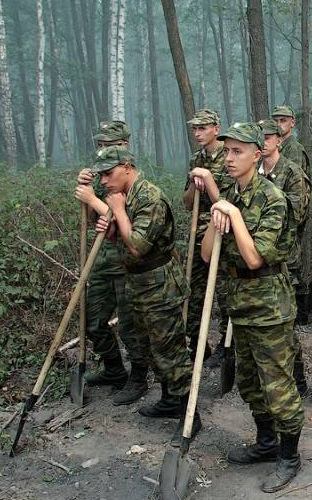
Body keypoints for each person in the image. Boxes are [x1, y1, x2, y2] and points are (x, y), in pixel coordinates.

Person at [200, 123, 303, 493]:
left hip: (269, 305)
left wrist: (235, 218)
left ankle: (289, 456)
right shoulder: (228, 194)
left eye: (237, 151)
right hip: (237, 302)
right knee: (248, 381)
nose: (228, 158)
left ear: (257, 154)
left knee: (277, 384)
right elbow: (207, 254)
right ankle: (266, 442)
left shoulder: (273, 198)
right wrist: (216, 221)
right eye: (226, 151)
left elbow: (255, 257)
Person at [92, 146, 197, 445]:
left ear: (127, 167)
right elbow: (123, 239)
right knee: (149, 347)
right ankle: (168, 399)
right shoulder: (124, 196)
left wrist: (119, 212)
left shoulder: (149, 197)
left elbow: (138, 245)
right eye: (100, 175)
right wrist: (111, 226)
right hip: (137, 282)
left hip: (160, 285)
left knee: (170, 351)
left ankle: (190, 416)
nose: (103, 181)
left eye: (108, 174)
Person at [74, 121, 151, 405]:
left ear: (125, 145)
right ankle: (114, 370)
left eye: (111, 145)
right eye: (101, 145)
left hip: (127, 263)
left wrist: (93, 200)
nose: (104, 151)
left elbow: (124, 218)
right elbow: (98, 221)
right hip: (102, 260)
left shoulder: (132, 177)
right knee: (93, 322)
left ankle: (138, 377)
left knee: (131, 328)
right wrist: (85, 187)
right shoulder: (98, 177)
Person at [257, 118, 312, 397]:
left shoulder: (291, 173)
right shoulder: (252, 174)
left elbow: (296, 216)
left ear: (279, 140)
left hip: (283, 258)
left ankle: (298, 378)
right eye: (260, 137)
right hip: (254, 260)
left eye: (268, 137)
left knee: (284, 321)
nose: (264, 142)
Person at [183, 109, 233, 368]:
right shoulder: (195, 158)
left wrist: (210, 180)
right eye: (195, 129)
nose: (198, 133)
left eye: (203, 128)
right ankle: (196, 343)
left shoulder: (230, 156)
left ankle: (227, 344)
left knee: (224, 290)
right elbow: (187, 202)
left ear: (216, 128)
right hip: (196, 231)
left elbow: (227, 204)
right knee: (193, 289)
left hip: (220, 229)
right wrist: (194, 181)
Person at [271, 104, 311, 178]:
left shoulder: (295, 149)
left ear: (292, 123)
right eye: (275, 121)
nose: (278, 124)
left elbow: (294, 180)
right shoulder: (272, 147)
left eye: (283, 121)